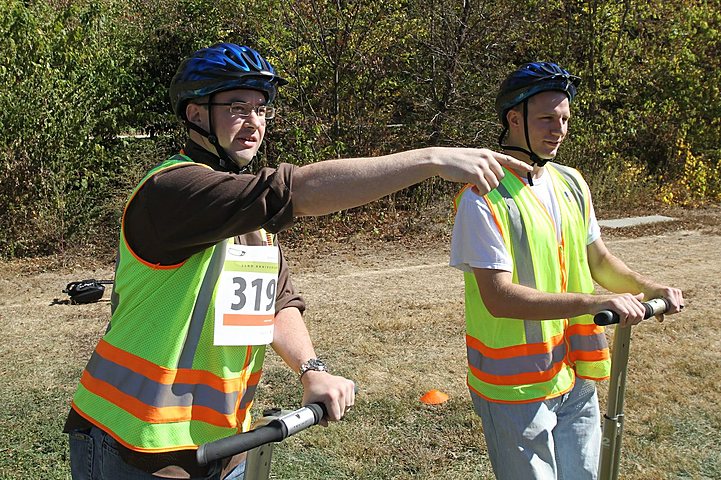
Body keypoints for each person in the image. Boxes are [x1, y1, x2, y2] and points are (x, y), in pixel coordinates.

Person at [63, 43, 531, 480]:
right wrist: (431, 159)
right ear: (194, 114)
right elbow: (299, 190)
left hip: (222, 441)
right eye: (237, 108)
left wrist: (312, 368)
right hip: (135, 441)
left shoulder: (248, 216)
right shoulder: (173, 191)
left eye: (261, 109)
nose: (253, 122)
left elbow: (275, 304)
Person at [449, 62, 685, 480]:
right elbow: (498, 297)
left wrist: (650, 289)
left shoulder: (572, 182)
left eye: (564, 119)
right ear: (514, 120)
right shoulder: (482, 199)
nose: (557, 130)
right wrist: (595, 301)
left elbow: (599, 261)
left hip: (574, 371)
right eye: (546, 119)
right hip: (516, 388)